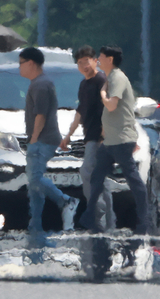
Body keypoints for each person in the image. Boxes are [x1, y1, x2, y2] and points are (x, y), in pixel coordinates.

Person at [85, 46, 151, 235]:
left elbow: (112, 105)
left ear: (110, 59)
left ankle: (144, 220)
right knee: (96, 177)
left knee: (133, 179)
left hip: (121, 140)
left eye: (102, 56)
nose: (98, 59)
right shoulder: (110, 78)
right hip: (111, 141)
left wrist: (103, 95)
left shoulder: (118, 78)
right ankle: (89, 216)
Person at [21, 47, 79, 247]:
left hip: (43, 140)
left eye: (21, 63)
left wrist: (34, 139)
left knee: (35, 178)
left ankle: (65, 201)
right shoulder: (39, 83)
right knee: (34, 183)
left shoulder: (40, 85)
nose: (20, 67)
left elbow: (41, 115)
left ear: (31, 63)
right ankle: (35, 224)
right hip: (43, 139)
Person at [62, 46, 114, 231]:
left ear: (95, 61)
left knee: (87, 172)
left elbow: (110, 106)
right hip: (89, 134)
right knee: (101, 179)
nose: (84, 65)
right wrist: (68, 135)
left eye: (87, 60)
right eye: (80, 62)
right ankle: (109, 223)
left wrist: (104, 133)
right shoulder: (84, 84)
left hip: (100, 136)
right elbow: (80, 111)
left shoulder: (102, 80)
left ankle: (95, 214)